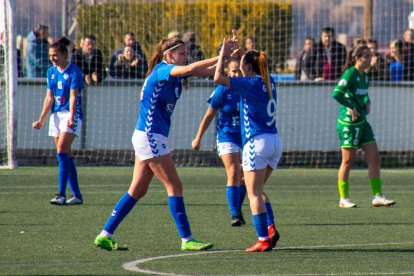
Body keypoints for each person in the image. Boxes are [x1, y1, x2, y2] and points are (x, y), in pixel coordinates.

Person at [94, 37, 218, 252]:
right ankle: (187, 239)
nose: (185, 57)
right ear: (168, 55)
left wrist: (229, 57)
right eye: (181, 53)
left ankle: (105, 234)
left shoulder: (174, 73)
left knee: (138, 190)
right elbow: (192, 68)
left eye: (186, 53)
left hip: (148, 136)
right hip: (150, 136)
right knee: (175, 186)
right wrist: (220, 54)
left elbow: (208, 72)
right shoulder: (162, 70)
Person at [214, 33, 282, 252]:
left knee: (252, 193)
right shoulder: (267, 79)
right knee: (258, 189)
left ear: (248, 68)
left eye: (242, 63)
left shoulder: (248, 83)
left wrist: (223, 55)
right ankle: (270, 228)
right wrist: (243, 53)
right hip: (274, 141)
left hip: (257, 141)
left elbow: (217, 79)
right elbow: (253, 64)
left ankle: (263, 239)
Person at [332, 44, 396, 209]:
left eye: (370, 55)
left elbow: (364, 93)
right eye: (365, 56)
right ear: (356, 58)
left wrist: (367, 102)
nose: (369, 59)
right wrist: (351, 106)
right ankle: (343, 198)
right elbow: (336, 93)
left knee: (374, 156)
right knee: (348, 161)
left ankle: (377, 196)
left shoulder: (365, 76)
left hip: (362, 123)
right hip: (349, 124)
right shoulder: (350, 74)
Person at [192, 57, 247, 227]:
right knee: (233, 172)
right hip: (226, 136)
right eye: (233, 71)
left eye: (239, 70)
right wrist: (198, 137)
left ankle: (237, 209)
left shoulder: (248, 88)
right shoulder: (222, 90)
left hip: (245, 137)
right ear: (228, 72)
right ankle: (234, 214)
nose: (236, 74)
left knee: (245, 176)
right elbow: (209, 115)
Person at [32, 37, 84, 206]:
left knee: (61, 150)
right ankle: (76, 195)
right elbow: (50, 97)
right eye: (50, 55)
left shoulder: (74, 71)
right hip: (56, 116)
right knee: (66, 155)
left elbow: (73, 96)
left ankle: (61, 194)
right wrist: (41, 119)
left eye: (55, 55)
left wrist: (71, 117)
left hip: (70, 114)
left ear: (64, 55)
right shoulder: (51, 72)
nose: (52, 58)